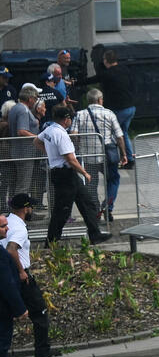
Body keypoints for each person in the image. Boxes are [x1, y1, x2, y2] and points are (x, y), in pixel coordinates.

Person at [34, 106, 110, 245]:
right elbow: (70, 159)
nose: (71, 121)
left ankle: (95, 234)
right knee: (62, 211)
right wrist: (84, 172)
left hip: (64, 173)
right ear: (66, 119)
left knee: (87, 203)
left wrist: (51, 153)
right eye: (70, 118)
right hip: (65, 174)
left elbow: (36, 141)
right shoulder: (61, 134)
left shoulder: (49, 130)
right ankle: (51, 242)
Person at [1, 194, 60, 357]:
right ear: (25, 209)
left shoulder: (7, 221)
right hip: (21, 277)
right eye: (30, 207)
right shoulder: (19, 228)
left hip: (6, 275)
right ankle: (43, 350)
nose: (31, 210)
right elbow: (11, 249)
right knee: (39, 311)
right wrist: (21, 271)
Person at [70, 88, 127, 222]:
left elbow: (73, 134)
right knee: (113, 180)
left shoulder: (80, 114)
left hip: (88, 156)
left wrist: (79, 145)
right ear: (100, 100)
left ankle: (96, 210)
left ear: (88, 100)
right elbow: (119, 136)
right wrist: (124, 154)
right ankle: (108, 206)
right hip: (107, 155)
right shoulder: (109, 114)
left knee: (91, 184)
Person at [87, 50, 137, 168]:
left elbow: (93, 79)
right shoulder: (125, 69)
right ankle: (129, 159)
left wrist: (74, 83)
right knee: (123, 132)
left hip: (119, 109)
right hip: (130, 107)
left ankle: (113, 159)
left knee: (112, 133)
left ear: (105, 60)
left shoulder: (107, 74)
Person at [0, 213, 29, 357]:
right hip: (2, 308)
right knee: (2, 342)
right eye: (3, 226)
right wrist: (19, 309)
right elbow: (7, 284)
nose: (7, 228)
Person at [8, 85, 41, 197]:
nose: (36, 101)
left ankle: (16, 210)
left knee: (17, 184)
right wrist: (37, 138)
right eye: (35, 99)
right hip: (24, 153)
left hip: (17, 151)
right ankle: (20, 213)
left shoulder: (15, 108)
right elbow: (21, 131)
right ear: (30, 99)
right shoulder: (23, 110)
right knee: (23, 185)